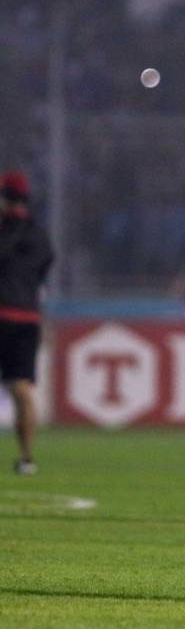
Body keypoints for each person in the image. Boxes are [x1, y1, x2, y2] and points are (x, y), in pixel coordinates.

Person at [0, 170, 53, 475]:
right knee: (21, 387)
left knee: (19, 389)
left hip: (3, 312)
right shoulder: (39, 234)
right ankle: (27, 459)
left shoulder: (5, 229)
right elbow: (46, 264)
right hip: (28, 316)